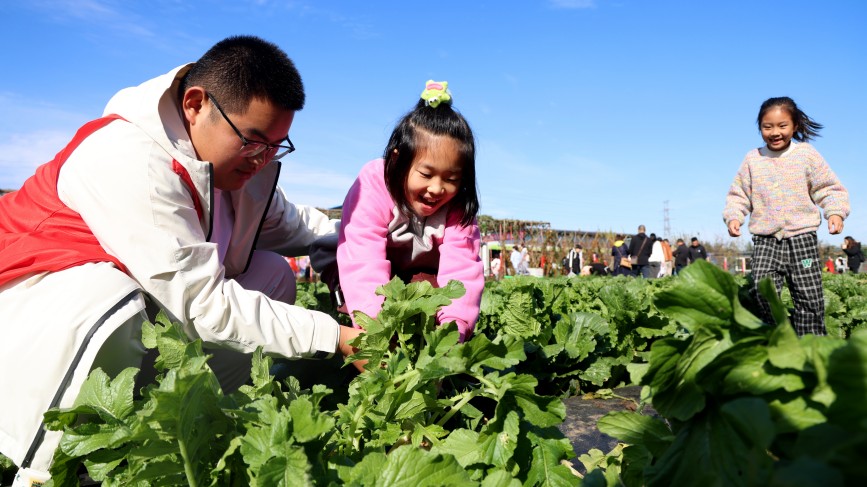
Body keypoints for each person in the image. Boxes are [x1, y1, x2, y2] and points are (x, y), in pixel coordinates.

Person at [0, 36, 365, 477]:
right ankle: (50, 468)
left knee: (270, 273)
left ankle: (198, 429)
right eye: (253, 141)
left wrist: (376, 235)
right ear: (195, 104)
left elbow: (298, 225)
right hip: (32, 317)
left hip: (142, 322)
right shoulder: (128, 156)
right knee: (112, 298)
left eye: (276, 145)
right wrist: (339, 337)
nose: (262, 158)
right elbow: (201, 303)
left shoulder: (236, 169)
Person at [328, 80, 483, 342]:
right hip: (355, 267)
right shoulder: (375, 182)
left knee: (425, 292)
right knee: (358, 299)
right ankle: (348, 317)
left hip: (417, 273)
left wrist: (453, 333)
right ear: (398, 160)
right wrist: (375, 331)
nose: (437, 188)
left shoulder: (459, 204)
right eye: (426, 174)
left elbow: (462, 270)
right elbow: (362, 258)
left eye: (452, 179)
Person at [723, 96, 849, 335]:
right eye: (767, 126)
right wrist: (734, 216)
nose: (775, 132)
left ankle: (811, 347)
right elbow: (739, 194)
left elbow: (828, 187)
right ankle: (775, 337)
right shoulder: (753, 159)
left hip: (802, 240)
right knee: (761, 289)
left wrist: (835, 212)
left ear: (795, 126)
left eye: (782, 126)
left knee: (808, 294)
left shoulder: (806, 154)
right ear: (760, 127)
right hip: (766, 240)